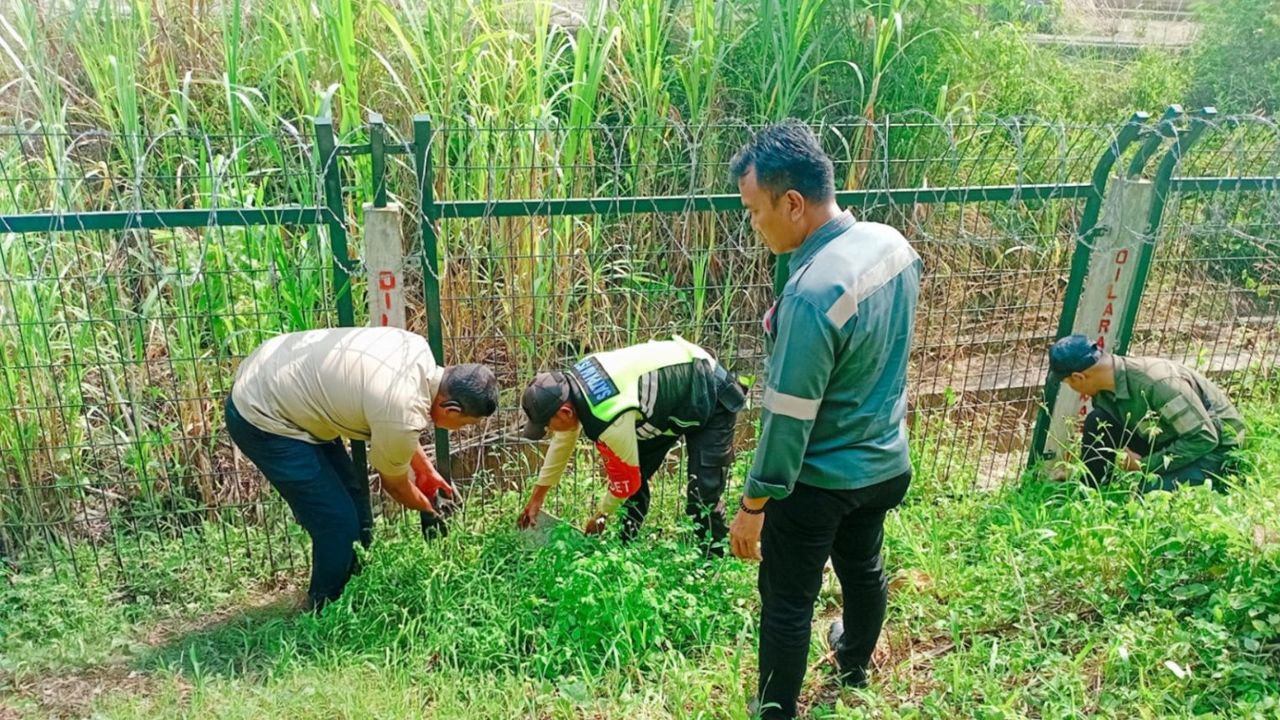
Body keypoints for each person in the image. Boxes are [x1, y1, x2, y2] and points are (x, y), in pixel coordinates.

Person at [726, 120, 921, 719]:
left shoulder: (812, 292)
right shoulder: (892, 244)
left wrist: (754, 505)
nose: (753, 225)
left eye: (755, 211)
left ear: (792, 203)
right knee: (863, 564)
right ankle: (855, 662)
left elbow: (787, 419)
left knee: (787, 600)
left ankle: (775, 710)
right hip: (885, 461)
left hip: (820, 481)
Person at [224, 326, 498, 610]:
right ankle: (323, 610)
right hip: (260, 414)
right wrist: (430, 510)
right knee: (336, 521)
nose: (459, 429)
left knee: (353, 497)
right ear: (451, 407)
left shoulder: (417, 350)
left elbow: (396, 422)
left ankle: (354, 585)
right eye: (466, 423)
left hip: (277, 376)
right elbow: (396, 484)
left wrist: (426, 472)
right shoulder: (402, 413)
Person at [516, 336, 745, 553]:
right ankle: (627, 547)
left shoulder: (608, 418)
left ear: (565, 412)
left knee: (702, 497)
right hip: (668, 402)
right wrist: (537, 499)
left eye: (548, 426)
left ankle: (716, 558)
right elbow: (563, 443)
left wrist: (600, 517)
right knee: (636, 481)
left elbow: (625, 480)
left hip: (707, 389)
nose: (550, 431)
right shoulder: (573, 386)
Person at [1047, 334, 1245, 492]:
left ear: (1078, 377)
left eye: (1067, 383)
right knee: (1098, 421)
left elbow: (1204, 438)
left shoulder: (1157, 384)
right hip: (1172, 435)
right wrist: (1082, 469)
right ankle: (1089, 490)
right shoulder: (1107, 386)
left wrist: (1144, 465)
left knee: (1150, 492)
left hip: (1216, 448)